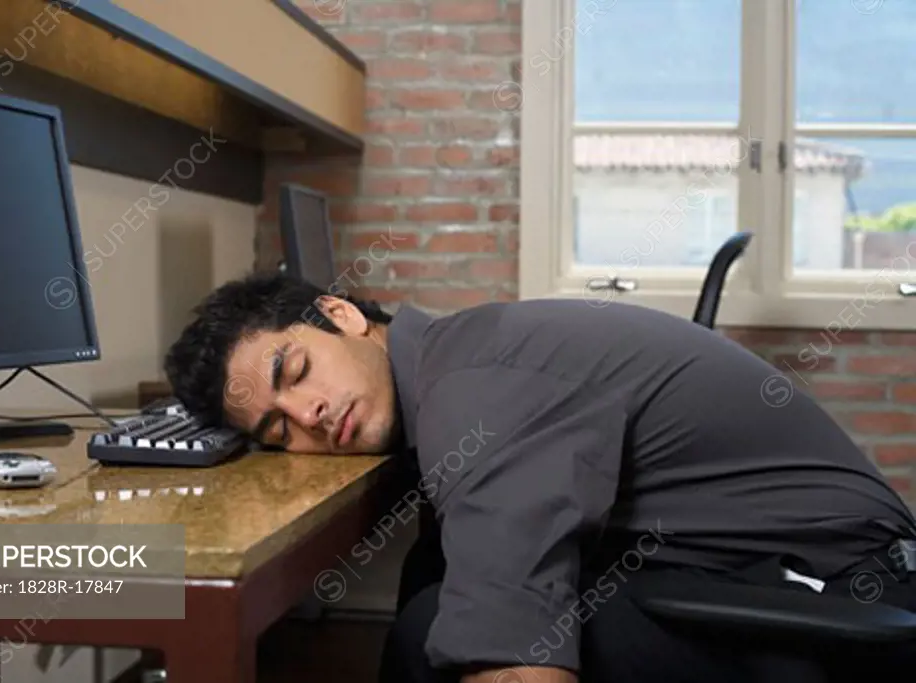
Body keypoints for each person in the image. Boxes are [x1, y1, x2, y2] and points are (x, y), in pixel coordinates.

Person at [164, 272, 916, 683]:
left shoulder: (477, 392)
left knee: (439, 632)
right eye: (277, 428)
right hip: (778, 572)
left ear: (341, 314)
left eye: (293, 371)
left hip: (846, 610)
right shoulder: (459, 353)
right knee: (437, 583)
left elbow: (513, 644)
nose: (309, 413)